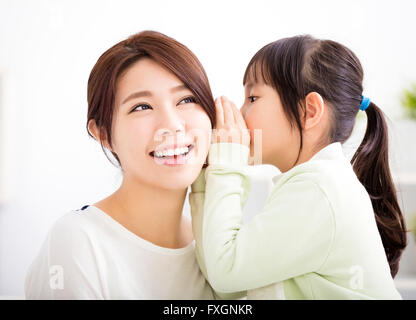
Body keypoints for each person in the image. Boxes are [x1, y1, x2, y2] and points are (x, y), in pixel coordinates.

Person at [24, 30, 238, 299]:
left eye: (186, 100)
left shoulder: (219, 246)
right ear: (104, 134)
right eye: (142, 107)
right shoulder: (78, 241)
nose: (172, 125)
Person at [192, 35, 408, 299]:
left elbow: (225, 271)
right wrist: (205, 180)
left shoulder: (320, 189)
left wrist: (226, 164)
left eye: (252, 97)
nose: (240, 111)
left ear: (310, 111)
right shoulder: (316, 183)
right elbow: (228, 287)